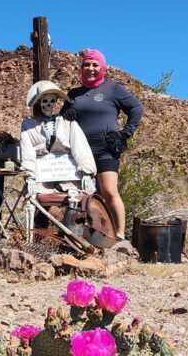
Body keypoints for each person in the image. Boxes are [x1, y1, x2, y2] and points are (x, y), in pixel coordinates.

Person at [61, 48, 144, 236]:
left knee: (108, 191)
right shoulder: (74, 94)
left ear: (102, 67)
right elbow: (60, 120)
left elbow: (136, 109)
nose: (90, 68)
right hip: (79, 153)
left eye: (95, 65)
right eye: (87, 65)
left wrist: (124, 134)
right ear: (81, 68)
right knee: (83, 195)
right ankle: (92, 233)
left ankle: (120, 234)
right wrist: (66, 114)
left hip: (106, 149)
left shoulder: (113, 89)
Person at [19, 80, 97, 199]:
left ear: (56, 102)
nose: (49, 104)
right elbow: (27, 152)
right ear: (39, 102)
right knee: (33, 200)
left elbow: (80, 146)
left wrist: (87, 172)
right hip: (42, 177)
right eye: (45, 101)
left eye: (52, 101)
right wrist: (30, 176)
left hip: (68, 175)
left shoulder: (67, 122)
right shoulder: (28, 126)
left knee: (76, 200)